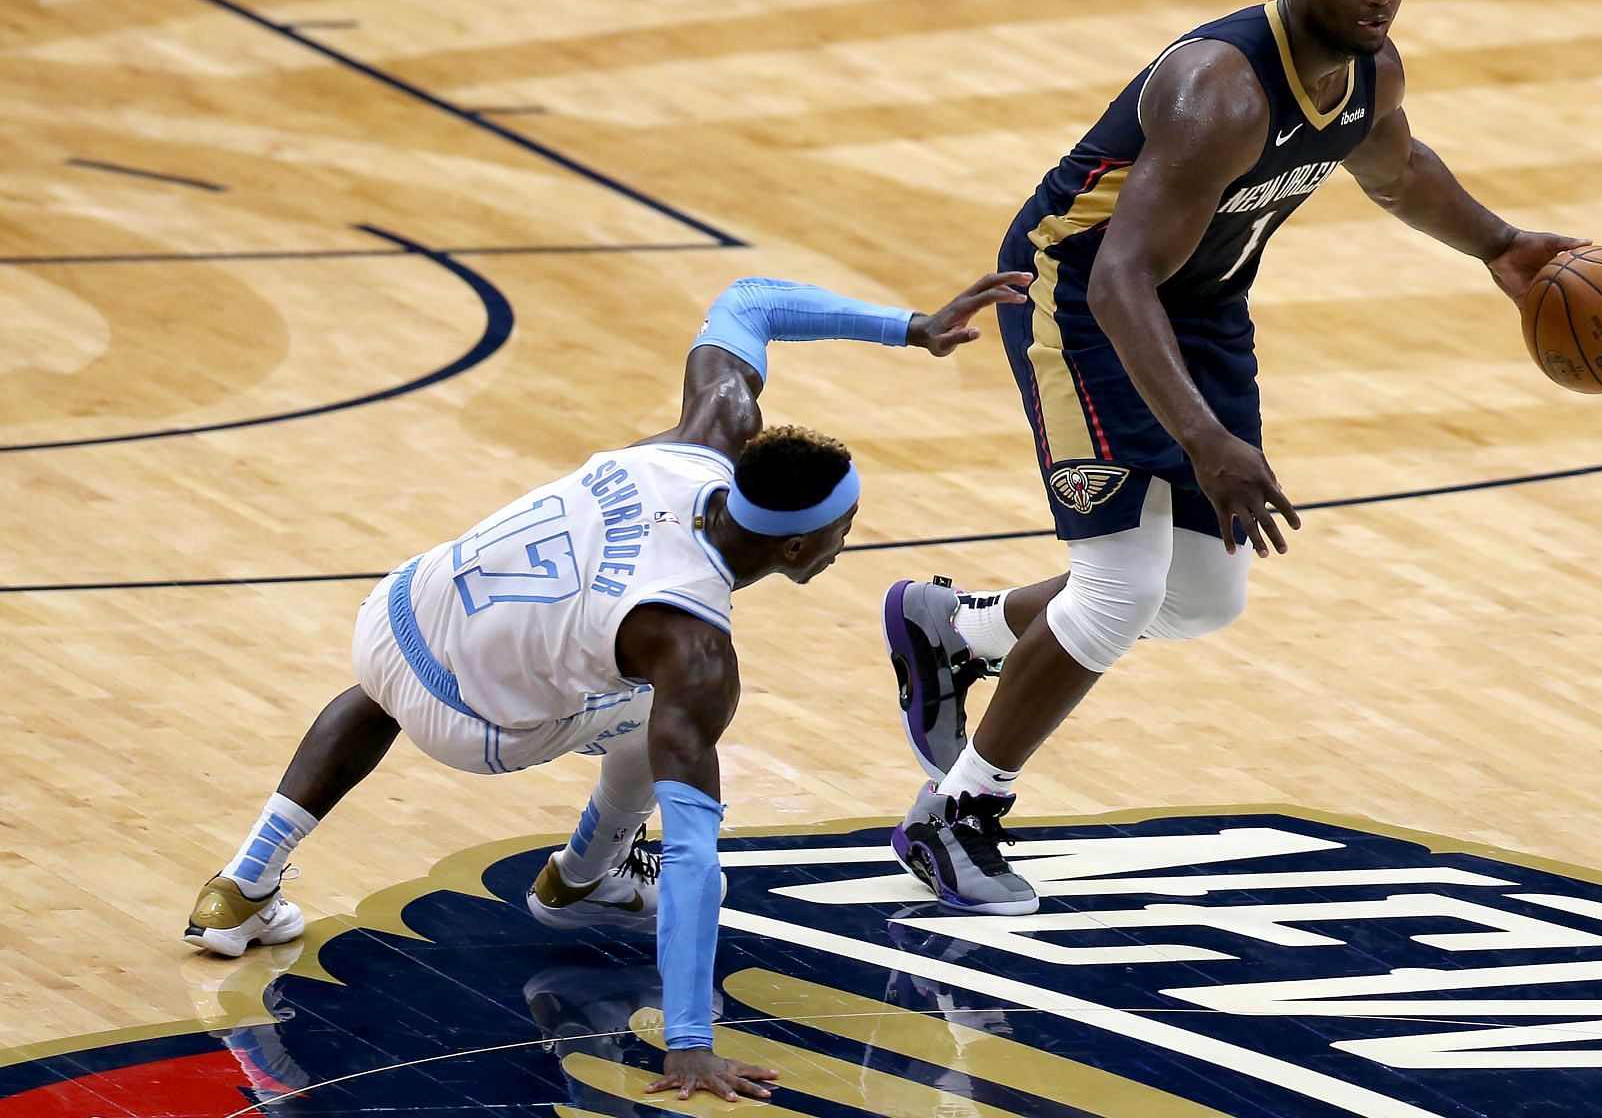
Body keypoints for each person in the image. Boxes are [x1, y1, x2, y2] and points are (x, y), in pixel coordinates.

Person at [884, 0, 1590, 914]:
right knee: (1121, 583)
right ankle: (957, 814)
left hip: (1201, 304)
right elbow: (1120, 278)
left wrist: (1498, 244)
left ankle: (963, 628)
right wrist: (1205, 436)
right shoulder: (1222, 91)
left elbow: (1396, 170)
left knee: (1201, 597)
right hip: (1081, 296)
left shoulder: (1368, 73)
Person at [185, 269, 1028, 1102]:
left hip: (394, 613)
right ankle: (588, 874)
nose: (850, 541)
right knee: (655, 721)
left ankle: (242, 885)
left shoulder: (711, 435)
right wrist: (691, 1044)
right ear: (799, 549)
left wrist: (911, 326)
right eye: (846, 529)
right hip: (466, 724)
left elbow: (748, 302)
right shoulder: (692, 646)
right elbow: (696, 855)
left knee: (394, 680)